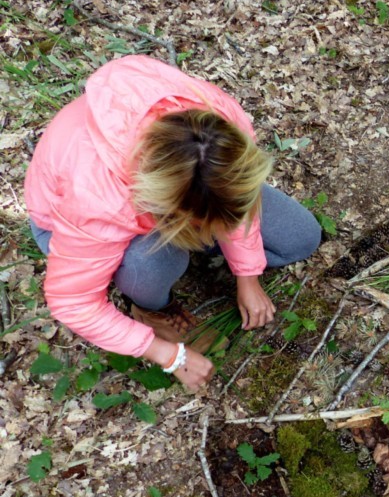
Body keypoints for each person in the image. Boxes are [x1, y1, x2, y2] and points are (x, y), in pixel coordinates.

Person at [24, 54, 322, 390]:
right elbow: (73, 302)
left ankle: (199, 250)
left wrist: (248, 274)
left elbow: (239, 203)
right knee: (155, 260)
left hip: (169, 193)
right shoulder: (96, 197)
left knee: (301, 237)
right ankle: (152, 310)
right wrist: (166, 354)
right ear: (176, 214)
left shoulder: (218, 121)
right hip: (73, 223)